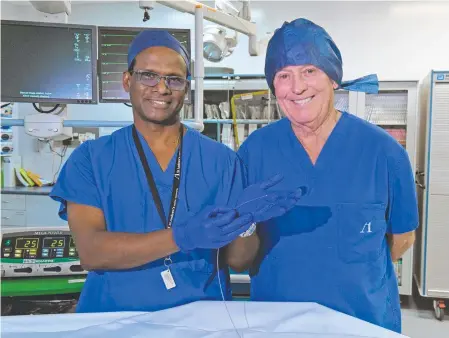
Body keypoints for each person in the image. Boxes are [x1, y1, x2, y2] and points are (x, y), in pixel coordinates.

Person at [49, 30, 302, 313]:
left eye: (174, 79)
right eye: (148, 75)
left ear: (186, 88)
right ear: (126, 80)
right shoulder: (91, 160)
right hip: (112, 318)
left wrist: (246, 223)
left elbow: (239, 261)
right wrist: (182, 237)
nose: (161, 88)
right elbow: (92, 252)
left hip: (200, 320)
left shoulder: (222, 161)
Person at [227, 18, 418, 333]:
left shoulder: (384, 152)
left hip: (361, 322)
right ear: (273, 86)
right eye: (284, 75)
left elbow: (403, 238)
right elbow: (240, 249)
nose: (298, 87)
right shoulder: (254, 152)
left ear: (333, 78)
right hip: (278, 323)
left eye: (309, 71)